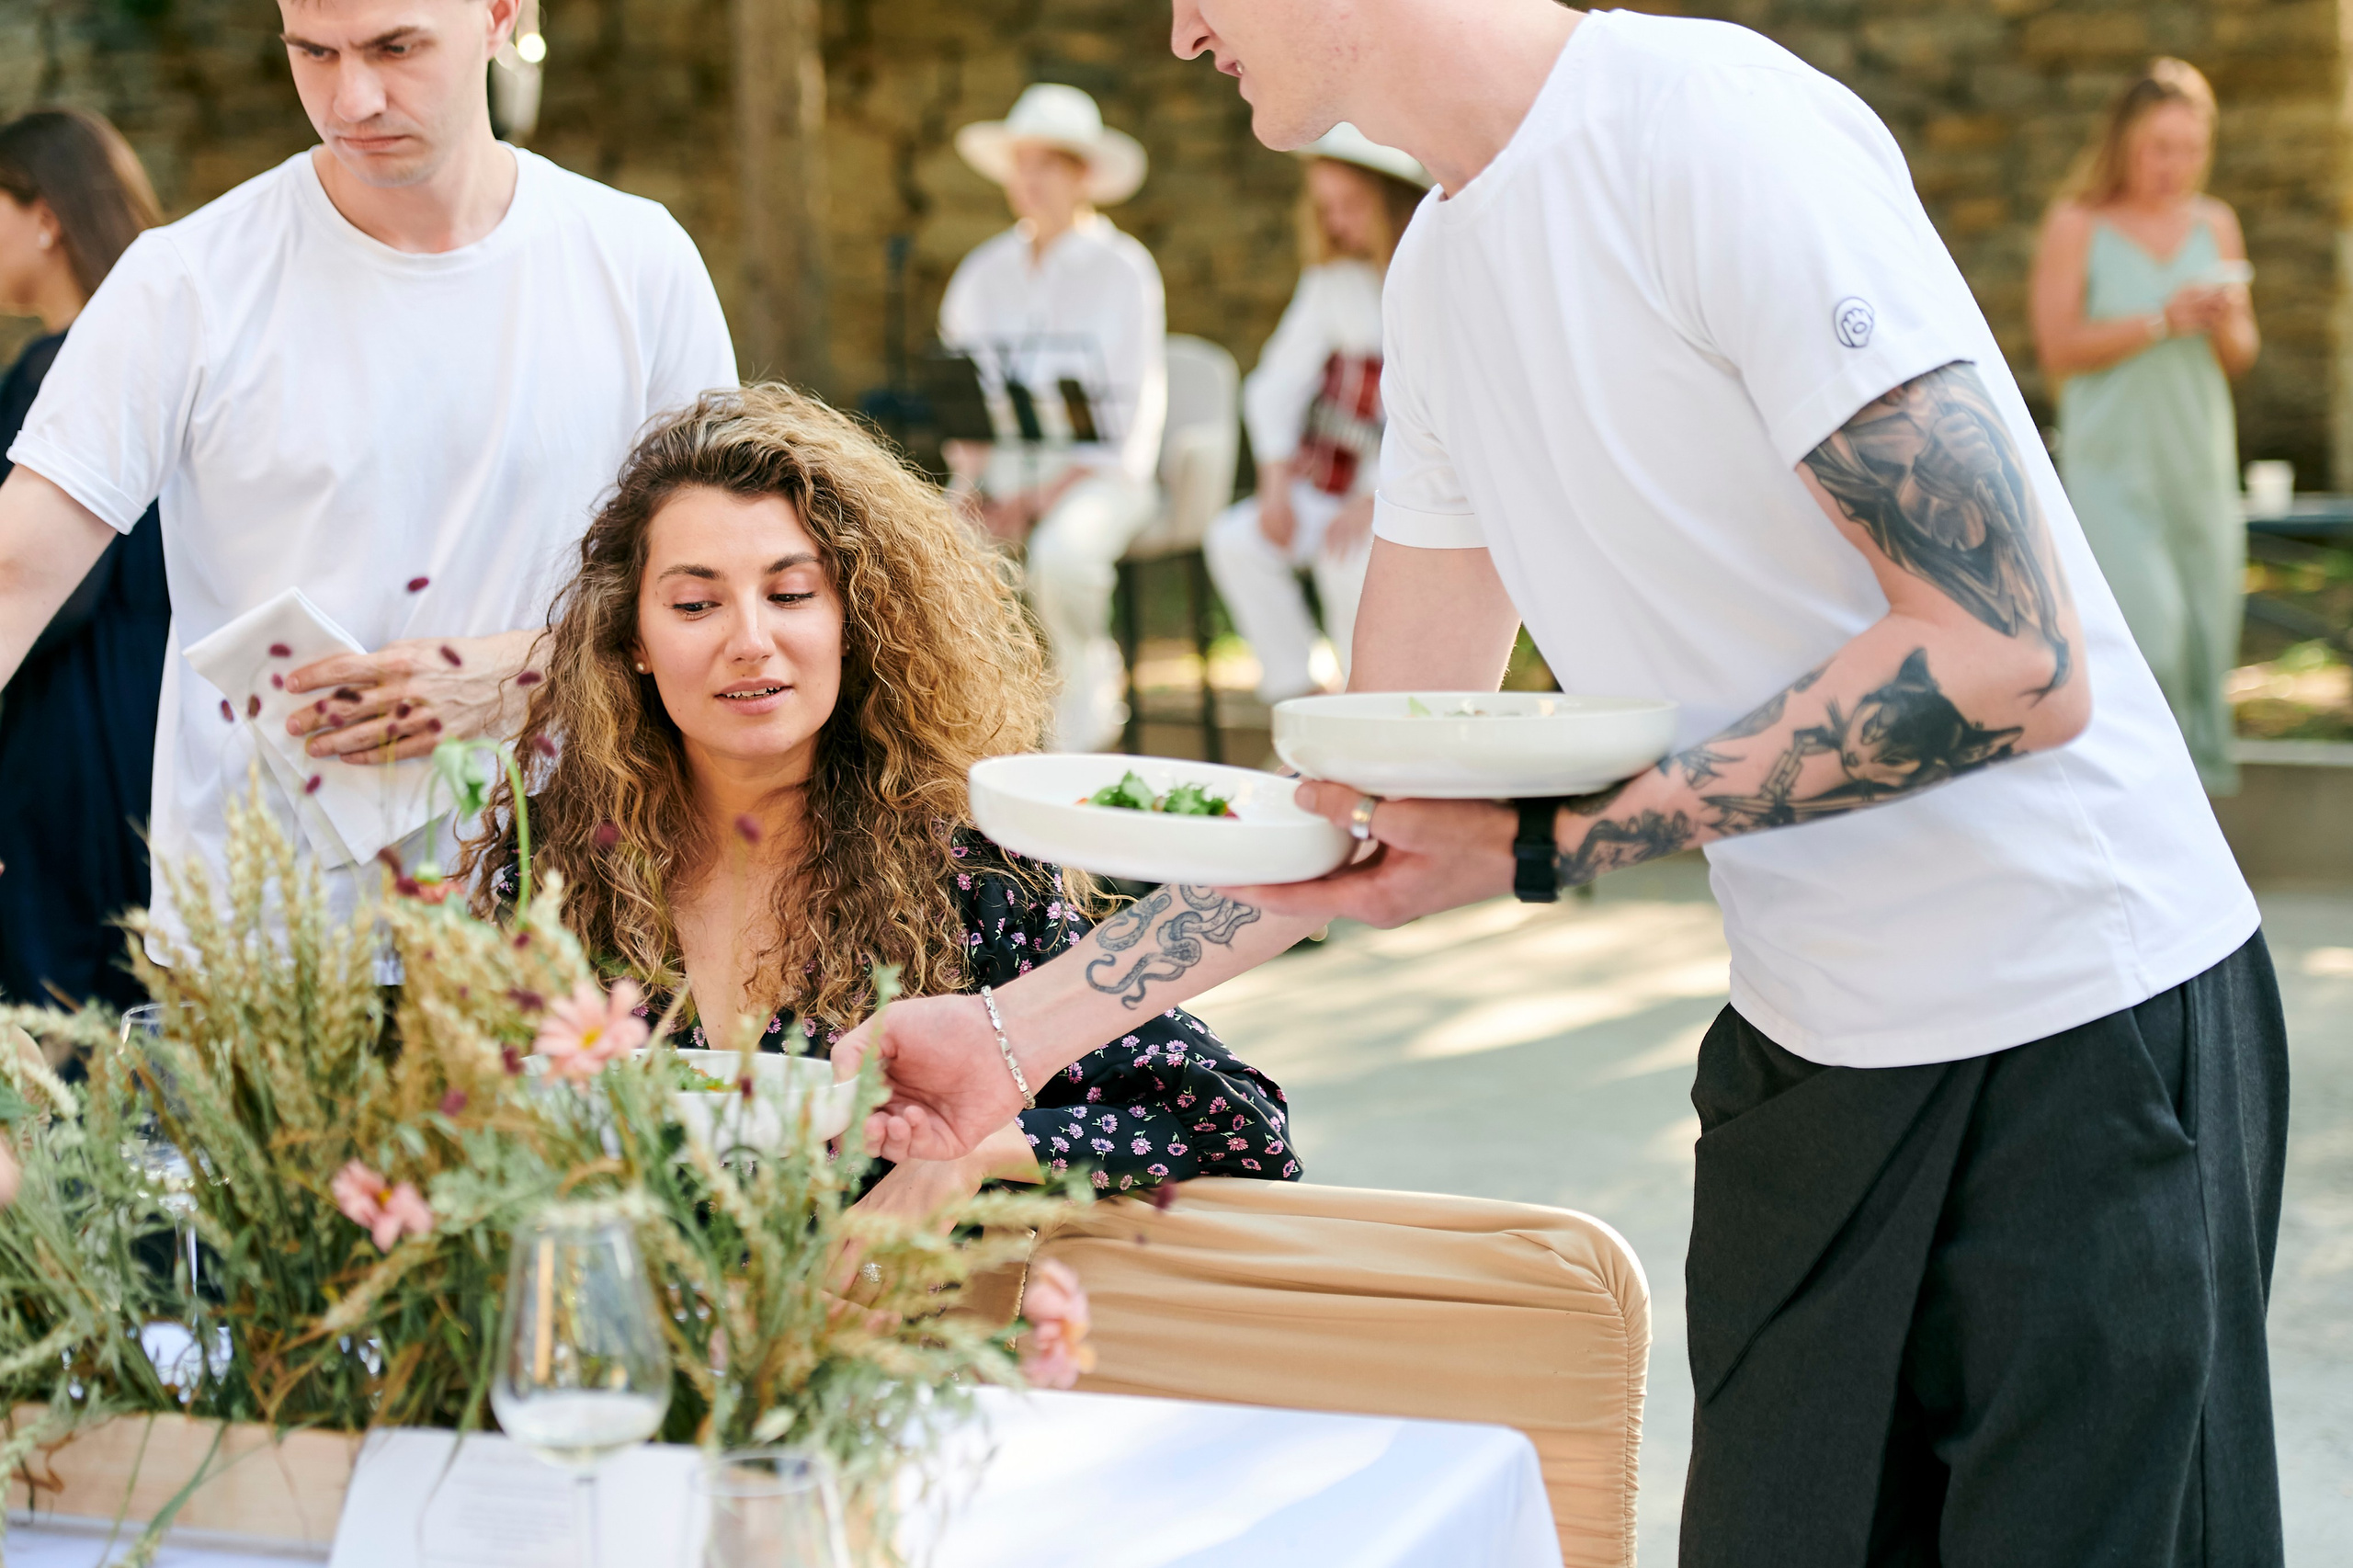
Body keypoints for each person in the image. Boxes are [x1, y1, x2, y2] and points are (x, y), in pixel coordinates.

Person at [839, 5, 2288, 1564]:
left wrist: (1549, 840)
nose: (1184, 29)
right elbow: (1359, 795)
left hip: (2089, 1037)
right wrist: (1017, 1033)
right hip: (1810, 1066)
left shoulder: (1714, 131)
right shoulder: (1443, 279)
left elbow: (2012, 654)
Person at [0, 0, 734, 955]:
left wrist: (523, 674)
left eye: (396, 47)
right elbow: (18, 565)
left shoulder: (637, 259)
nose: (353, 98)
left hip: (566, 931)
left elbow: (726, 587)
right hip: (268, 947)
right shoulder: (184, 280)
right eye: (313, 52)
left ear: (499, 16)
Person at [457, 384, 1297, 1215]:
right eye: (695, 604)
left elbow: (1234, 1122)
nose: (750, 642)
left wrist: (971, 1155)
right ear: (633, 639)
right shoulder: (550, 877)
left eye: (790, 595)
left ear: (853, 619)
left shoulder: (967, 873)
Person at [2032, 60, 2258, 796]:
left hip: (2198, 467)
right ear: (2126, 143)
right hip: (2112, 472)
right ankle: (2136, 800)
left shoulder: (2217, 224)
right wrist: (2164, 319)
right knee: (2148, 644)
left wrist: (2220, 322)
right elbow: (2056, 348)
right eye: (2162, 147)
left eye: (2191, 148)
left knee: (2203, 648)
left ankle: (2192, 823)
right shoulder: (2078, 225)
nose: (2177, 165)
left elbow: (2242, 356)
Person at [939, 84, 1167, 752]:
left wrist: (1036, 499)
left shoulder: (1125, 271)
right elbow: (965, 397)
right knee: (937, 547)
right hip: (1003, 469)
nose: (1030, 180)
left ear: (1083, 176)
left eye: (1048, 165)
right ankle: (970, 718)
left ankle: (1084, 691)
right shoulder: (982, 272)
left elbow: (1124, 422)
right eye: (1022, 164)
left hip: (1098, 475)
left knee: (1065, 553)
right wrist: (978, 487)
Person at [0, 109, 168, 1011]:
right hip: (159, 711)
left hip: (71, 725)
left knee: (66, 1010)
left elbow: (47, 586)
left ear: (46, 215)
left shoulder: (51, 371)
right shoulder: (172, 357)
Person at [1206, 124, 1426, 701]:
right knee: (1237, 539)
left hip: (1402, 490)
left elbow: (1437, 413)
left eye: (1350, 205)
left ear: (1392, 200)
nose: (1335, 223)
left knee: (1345, 557)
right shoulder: (1332, 282)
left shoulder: (1429, 278)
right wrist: (1275, 482)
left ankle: (1366, 706)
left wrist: (1375, 495)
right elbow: (1277, 382)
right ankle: (1300, 695)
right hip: (1328, 483)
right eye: (1325, 207)